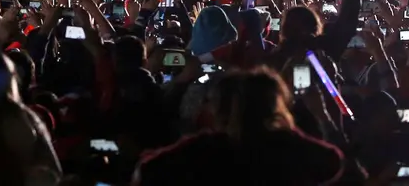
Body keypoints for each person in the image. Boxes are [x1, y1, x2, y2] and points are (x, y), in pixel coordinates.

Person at [132, 67, 346, 185]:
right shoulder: (287, 148)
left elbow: (149, 169)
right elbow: (333, 162)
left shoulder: (205, 149)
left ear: (218, 108)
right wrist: (296, 125)